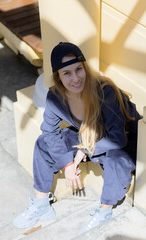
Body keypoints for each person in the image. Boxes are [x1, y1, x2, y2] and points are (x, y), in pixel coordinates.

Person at [13, 42, 141, 233]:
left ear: (85, 68)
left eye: (78, 69)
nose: (75, 78)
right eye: (67, 73)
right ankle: (41, 203)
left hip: (123, 139)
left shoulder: (105, 92)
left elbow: (117, 139)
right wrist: (68, 164)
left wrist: (85, 149)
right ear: (58, 76)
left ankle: (104, 211)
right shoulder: (55, 97)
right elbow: (49, 132)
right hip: (89, 136)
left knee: (116, 159)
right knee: (43, 143)